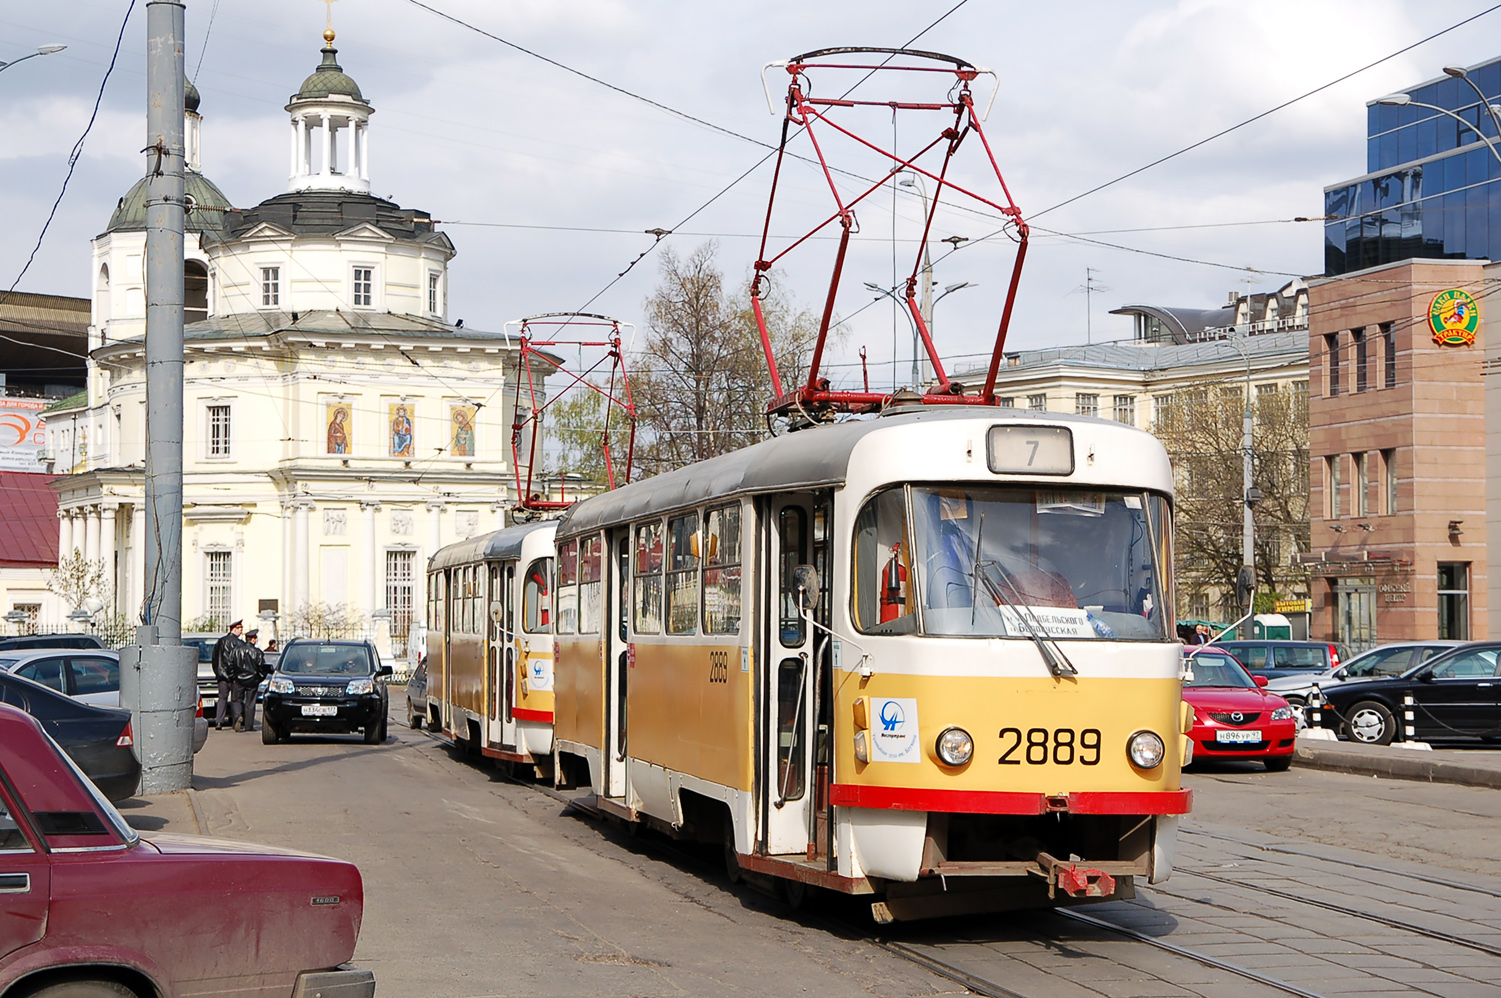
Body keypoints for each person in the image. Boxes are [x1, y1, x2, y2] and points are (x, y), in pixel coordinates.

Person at [229, 629, 269, 732]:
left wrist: (233, 677)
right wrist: (259, 678)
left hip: (238, 680)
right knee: (250, 703)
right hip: (252, 681)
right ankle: (249, 725)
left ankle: (238, 716)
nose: (256, 640)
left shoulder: (236, 651)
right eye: (255, 638)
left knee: (236, 700)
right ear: (252, 639)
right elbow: (262, 668)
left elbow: (230, 665)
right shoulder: (257, 652)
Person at [211, 620, 244, 730]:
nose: (242, 631)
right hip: (234, 677)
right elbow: (239, 661)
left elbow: (214, 658)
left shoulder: (220, 641)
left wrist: (218, 672)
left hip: (221, 676)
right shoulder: (239, 643)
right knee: (235, 699)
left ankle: (219, 722)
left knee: (222, 698)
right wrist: (236, 675)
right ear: (234, 629)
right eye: (240, 628)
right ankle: (236, 721)